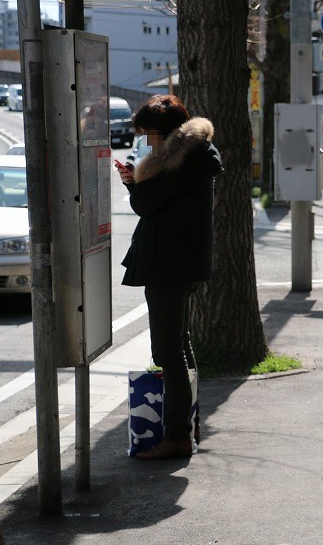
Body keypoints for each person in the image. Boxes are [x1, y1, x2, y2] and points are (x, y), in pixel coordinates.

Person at [115, 94, 223, 460]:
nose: (146, 141)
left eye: (148, 133)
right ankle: (190, 424)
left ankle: (176, 435)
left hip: (168, 263)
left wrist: (133, 183)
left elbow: (146, 205)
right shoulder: (195, 154)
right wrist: (138, 181)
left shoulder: (177, 161)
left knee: (167, 351)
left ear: (163, 132)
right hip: (184, 262)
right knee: (181, 344)